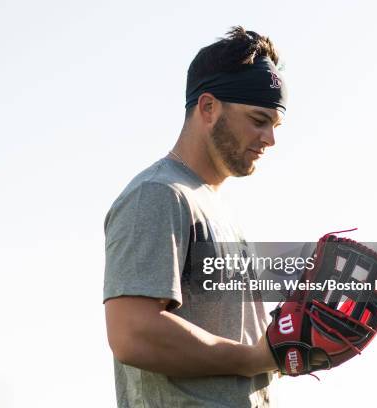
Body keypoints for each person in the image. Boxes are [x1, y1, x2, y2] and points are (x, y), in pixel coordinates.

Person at [103, 26, 287, 407]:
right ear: (208, 108)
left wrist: (288, 343)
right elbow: (132, 333)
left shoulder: (216, 208)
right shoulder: (157, 194)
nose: (270, 139)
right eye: (258, 120)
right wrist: (255, 357)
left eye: (275, 124)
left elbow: (239, 349)